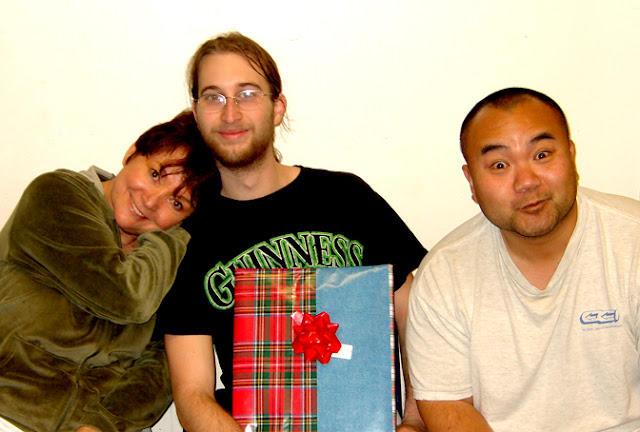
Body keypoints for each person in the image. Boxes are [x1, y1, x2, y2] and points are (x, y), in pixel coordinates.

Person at [154, 32, 428, 432]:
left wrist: (417, 421)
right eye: (214, 97)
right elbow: (193, 396)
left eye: (247, 94)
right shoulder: (186, 239)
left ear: (277, 107)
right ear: (196, 113)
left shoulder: (347, 198)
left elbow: (418, 319)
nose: (230, 114)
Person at [406, 87, 640, 431]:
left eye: (542, 155)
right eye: (499, 165)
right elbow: (448, 405)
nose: (527, 182)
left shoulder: (632, 239)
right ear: (472, 181)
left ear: (571, 155)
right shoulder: (444, 275)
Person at [0, 111, 219, 432]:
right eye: (155, 175)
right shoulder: (57, 194)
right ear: (132, 152)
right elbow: (127, 299)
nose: (152, 201)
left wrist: (101, 424)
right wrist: (175, 237)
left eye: (177, 203)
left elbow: (161, 365)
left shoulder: (163, 262)